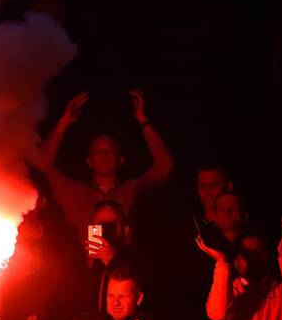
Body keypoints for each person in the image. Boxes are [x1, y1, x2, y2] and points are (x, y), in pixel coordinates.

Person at [33, 89, 175, 233]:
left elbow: (165, 165)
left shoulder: (133, 190)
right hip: (82, 255)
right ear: (88, 161)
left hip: (128, 256)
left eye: (110, 150)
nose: (103, 154)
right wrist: (63, 123)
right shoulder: (73, 192)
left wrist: (143, 121)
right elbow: (42, 164)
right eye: (97, 151)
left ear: (121, 160)